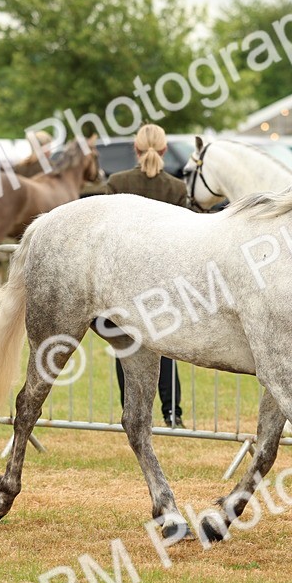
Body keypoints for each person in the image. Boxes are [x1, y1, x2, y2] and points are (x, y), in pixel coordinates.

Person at [106, 123, 188, 428]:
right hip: (163, 284)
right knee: (164, 350)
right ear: (165, 150)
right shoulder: (177, 189)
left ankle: (131, 414)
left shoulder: (116, 183)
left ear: (135, 149)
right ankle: (172, 413)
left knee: (125, 348)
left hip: (122, 283)